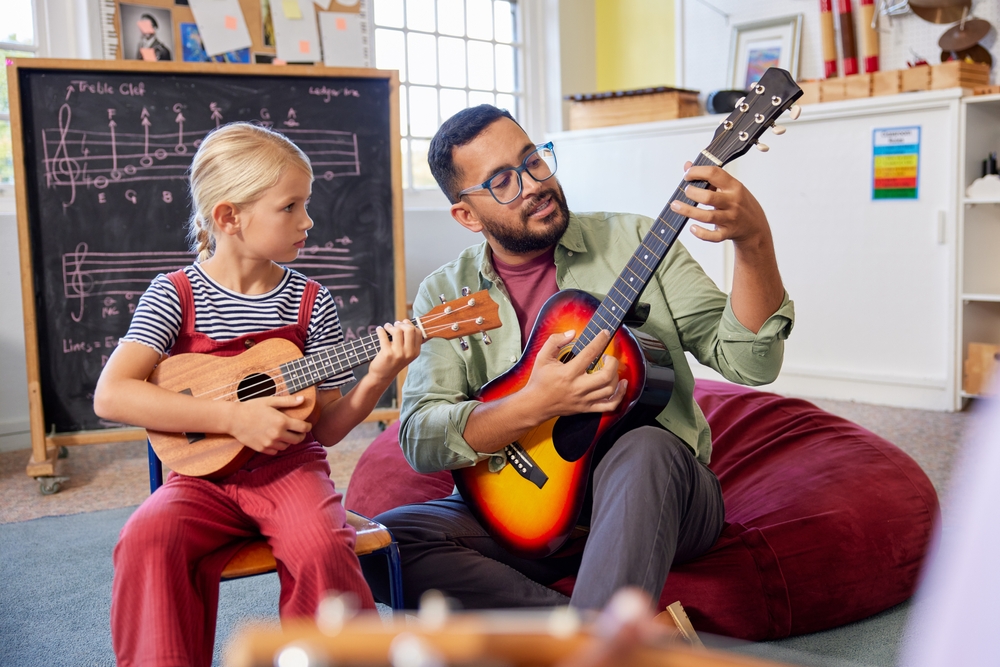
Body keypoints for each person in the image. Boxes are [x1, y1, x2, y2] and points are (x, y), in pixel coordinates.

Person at [360, 105, 794, 611]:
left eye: (533, 161)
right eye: (503, 181)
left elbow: (751, 364)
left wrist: (753, 242)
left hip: (658, 495)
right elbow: (420, 437)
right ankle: (592, 632)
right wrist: (533, 404)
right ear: (466, 215)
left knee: (646, 448)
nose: (532, 184)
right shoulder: (446, 292)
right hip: (528, 507)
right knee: (384, 543)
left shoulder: (637, 242)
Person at [93, 122, 421, 667]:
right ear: (229, 217)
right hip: (202, 481)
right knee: (146, 540)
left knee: (321, 549)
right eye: (290, 207)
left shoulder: (312, 302)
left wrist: (380, 374)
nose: (308, 221)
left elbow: (330, 426)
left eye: (306, 205)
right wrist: (232, 418)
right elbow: (112, 395)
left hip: (288, 472)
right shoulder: (174, 294)